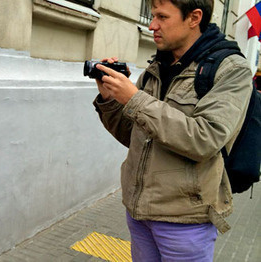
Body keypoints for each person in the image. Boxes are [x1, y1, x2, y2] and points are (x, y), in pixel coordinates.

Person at [93, 0, 251, 261]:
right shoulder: (158, 67)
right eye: (152, 15)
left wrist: (135, 99)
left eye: (162, 17)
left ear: (194, 17)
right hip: (139, 213)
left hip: (185, 222)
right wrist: (111, 99)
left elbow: (205, 139)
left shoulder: (231, 69)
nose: (152, 25)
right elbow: (132, 136)